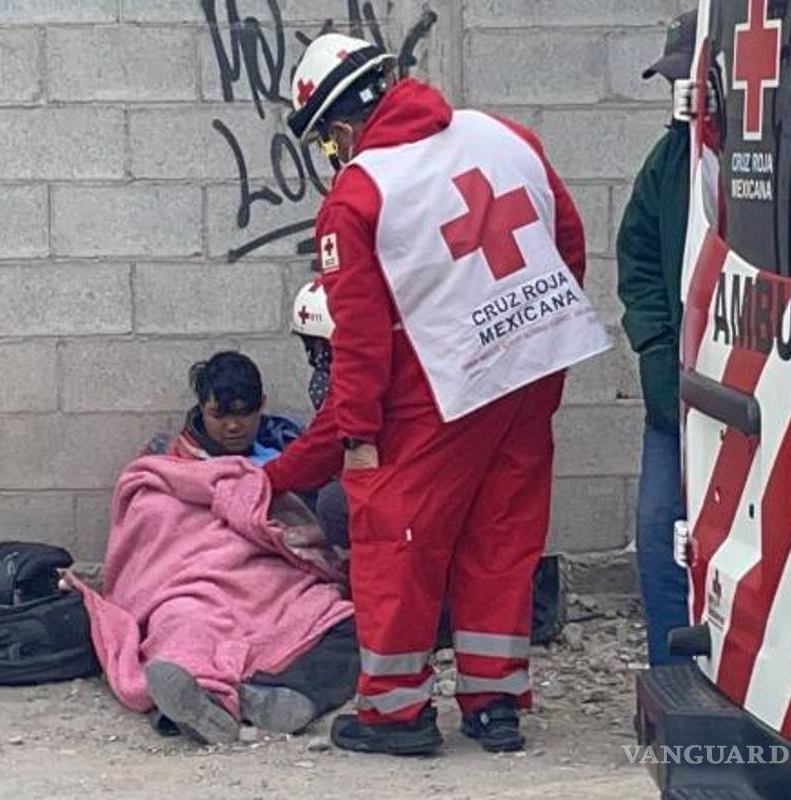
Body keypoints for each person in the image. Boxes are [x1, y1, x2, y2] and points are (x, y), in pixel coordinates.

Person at [266, 33, 610, 755]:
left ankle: (397, 714)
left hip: (433, 390)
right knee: (502, 538)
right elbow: (567, 245)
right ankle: (496, 703)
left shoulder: (360, 192)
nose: (334, 158)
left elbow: (358, 337)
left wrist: (356, 437)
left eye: (329, 145)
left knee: (397, 543)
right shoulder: (504, 135)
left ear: (338, 128)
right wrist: (532, 350)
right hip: (530, 373)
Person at [616, 11, 697, 667]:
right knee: (658, 530)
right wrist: (652, 344)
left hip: (747, 395)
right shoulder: (672, 156)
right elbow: (638, 254)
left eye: (684, 78)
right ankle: (673, 672)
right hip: (674, 396)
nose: (675, 92)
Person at [151, 351, 300, 465]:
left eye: (243, 413)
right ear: (202, 409)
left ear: (261, 405)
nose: (233, 426)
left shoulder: (291, 453)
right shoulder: (167, 460)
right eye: (219, 415)